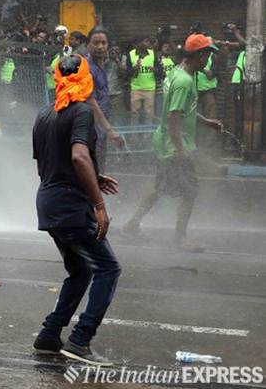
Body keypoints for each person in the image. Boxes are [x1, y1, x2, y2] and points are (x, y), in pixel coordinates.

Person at [31, 54, 121, 366]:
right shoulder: (81, 110)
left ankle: (49, 335)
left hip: (49, 202)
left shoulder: (45, 113)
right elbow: (79, 157)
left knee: (80, 270)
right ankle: (80, 340)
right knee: (108, 268)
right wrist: (98, 204)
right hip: (71, 206)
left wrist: (93, 179)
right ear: (86, 78)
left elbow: (48, 165)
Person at [122, 34, 224, 250]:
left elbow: (182, 108)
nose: (209, 59)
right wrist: (180, 149)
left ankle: (131, 225)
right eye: (208, 54)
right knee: (190, 191)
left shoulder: (177, 72)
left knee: (159, 187)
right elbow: (174, 116)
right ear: (200, 55)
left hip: (167, 139)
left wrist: (206, 121)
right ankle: (180, 239)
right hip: (174, 143)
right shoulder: (184, 81)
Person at [83, 28, 126, 167]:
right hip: (89, 128)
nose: (100, 47)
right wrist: (110, 130)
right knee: (92, 167)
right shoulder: (87, 68)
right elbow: (91, 101)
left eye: (103, 43)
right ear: (88, 45)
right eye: (96, 43)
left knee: (99, 167)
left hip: (99, 128)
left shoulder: (101, 65)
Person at [126, 36, 161, 124]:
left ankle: (147, 137)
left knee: (149, 115)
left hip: (150, 88)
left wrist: (154, 70)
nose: (148, 43)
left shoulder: (152, 53)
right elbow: (127, 73)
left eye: (148, 41)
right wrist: (135, 68)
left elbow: (159, 70)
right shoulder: (131, 54)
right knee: (134, 114)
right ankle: (134, 136)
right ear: (139, 43)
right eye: (146, 41)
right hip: (136, 89)